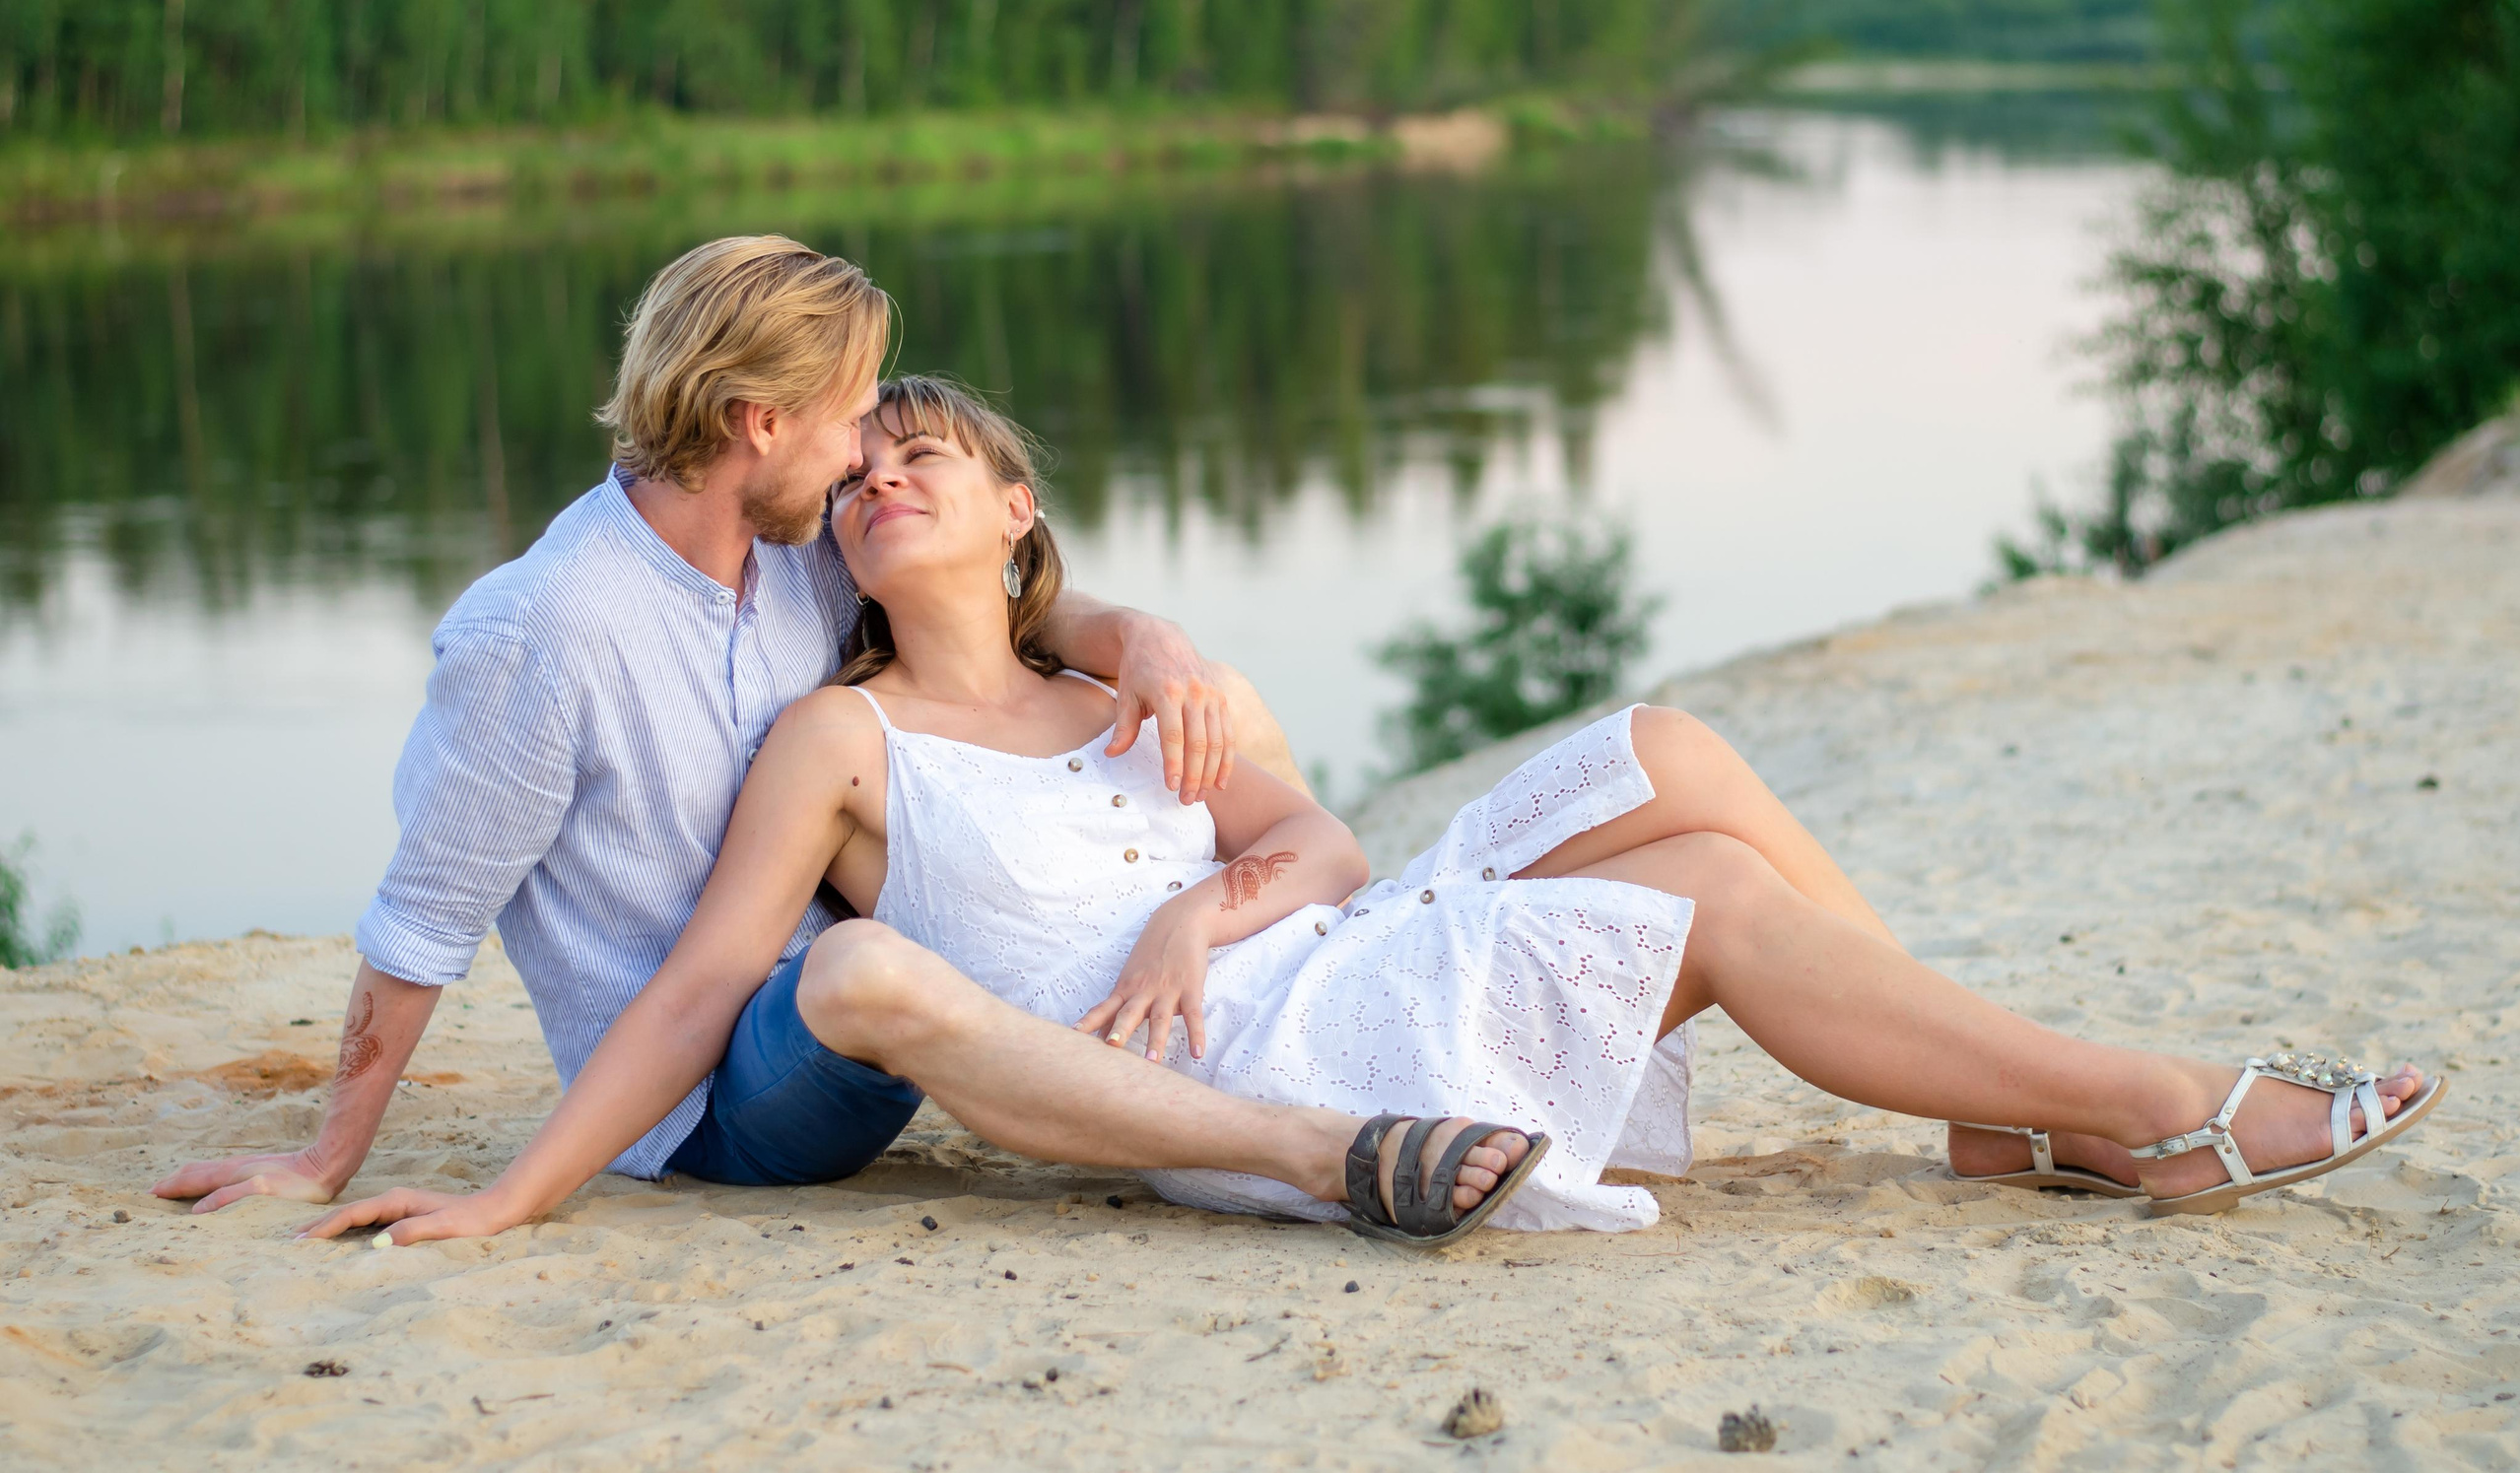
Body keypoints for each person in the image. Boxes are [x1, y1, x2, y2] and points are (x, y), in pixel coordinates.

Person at [306, 376, 2442, 1245]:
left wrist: (1194, 903)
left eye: (924, 455)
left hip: (1313, 949)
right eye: (859, 473)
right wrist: (503, 1198)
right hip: (1265, 1063)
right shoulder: (840, 741)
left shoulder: (1114, 673)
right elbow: (698, 985)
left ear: (1017, 506)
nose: (879, 481)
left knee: (1671, 754)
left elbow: (1318, 845)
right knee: (1704, 889)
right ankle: (2152, 1104)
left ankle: (2019, 1106)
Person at [156, 236, 1531, 1240]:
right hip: (719, 1098)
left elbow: (1009, 607)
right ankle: (1306, 1148)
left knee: (1197, 726)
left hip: (882, 1018)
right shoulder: (544, 633)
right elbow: (421, 925)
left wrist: (1146, 642)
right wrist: (337, 1157)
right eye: (852, 414)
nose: (873, 445)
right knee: (869, 962)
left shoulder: (801, 550)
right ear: (760, 423)